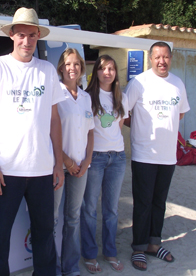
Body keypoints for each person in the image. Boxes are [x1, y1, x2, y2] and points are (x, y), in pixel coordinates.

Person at [0, 7, 65, 276]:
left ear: (38, 37)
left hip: (41, 171)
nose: (27, 41)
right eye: (22, 34)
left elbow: (54, 121)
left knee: (44, 236)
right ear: (12, 35)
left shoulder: (47, 71)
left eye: (32, 35)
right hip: (5, 171)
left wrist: (58, 163)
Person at [124, 41, 190, 271]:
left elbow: (179, 114)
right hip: (144, 154)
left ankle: (154, 243)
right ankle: (139, 248)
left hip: (167, 157)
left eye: (166, 57)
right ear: (150, 59)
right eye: (157, 57)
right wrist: (140, 128)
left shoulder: (177, 84)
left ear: (171, 58)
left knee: (159, 203)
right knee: (142, 203)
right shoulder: (139, 83)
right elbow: (123, 113)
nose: (162, 61)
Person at [80, 55, 129, 273]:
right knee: (89, 208)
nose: (107, 72)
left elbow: (119, 126)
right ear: (96, 73)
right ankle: (90, 255)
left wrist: (112, 147)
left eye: (111, 68)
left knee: (111, 209)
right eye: (102, 68)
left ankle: (110, 252)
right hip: (95, 158)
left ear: (115, 72)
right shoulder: (88, 96)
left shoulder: (122, 97)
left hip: (117, 158)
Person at [54, 48, 95, 276]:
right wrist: (66, 160)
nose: (73, 68)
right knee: (51, 220)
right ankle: (53, 268)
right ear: (61, 67)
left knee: (73, 218)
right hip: (59, 166)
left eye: (77, 64)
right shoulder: (56, 94)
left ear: (81, 68)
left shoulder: (86, 97)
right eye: (68, 64)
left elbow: (90, 131)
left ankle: (70, 269)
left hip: (81, 167)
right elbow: (49, 132)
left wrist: (87, 160)